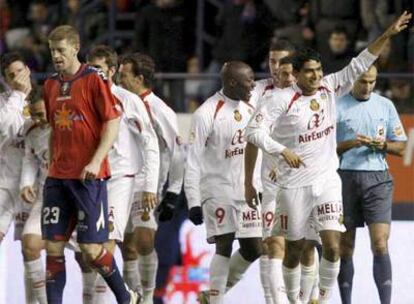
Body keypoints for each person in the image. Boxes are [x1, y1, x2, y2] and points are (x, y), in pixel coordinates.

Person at [245, 11, 411, 304]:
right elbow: (253, 132)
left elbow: (360, 61)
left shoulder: (329, 87)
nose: (316, 76)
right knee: (295, 250)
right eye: (309, 71)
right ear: (296, 74)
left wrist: (388, 34)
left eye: (319, 70)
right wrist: (281, 150)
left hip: (327, 181)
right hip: (293, 184)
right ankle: (295, 300)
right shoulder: (279, 100)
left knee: (333, 247)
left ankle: (319, 299)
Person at [42, 25, 139, 304]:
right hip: (58, 177)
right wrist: (51, 165)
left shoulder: (93, 79)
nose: (56, 56)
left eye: (61, 50)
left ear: (75, 48)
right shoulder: (49, 84)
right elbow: (54, 128)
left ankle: (125, 297)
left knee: (90, 249)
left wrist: (96, 160)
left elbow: (112, 121)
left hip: (88, 178)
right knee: (53, 247)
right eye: (52, 51)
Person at [82, 45, 159, 304]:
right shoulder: (84, 98)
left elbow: (150, 142)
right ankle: (126, 296)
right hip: (90, 180)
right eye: (90, 68)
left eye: (99, 69)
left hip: (119, 179)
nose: (94, 73)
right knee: (88, 252)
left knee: (107, 245)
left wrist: (149, 185)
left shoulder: (128, 100)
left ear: (112, 71)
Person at [185, 61, 263, 304]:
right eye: (248, 80)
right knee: (225, 241)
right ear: (231, 83)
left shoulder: (252, 104)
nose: (253, 85)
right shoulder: (207, 112)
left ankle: (212, 295)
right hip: (217, 188)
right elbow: (193, 160)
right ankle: (218, 301)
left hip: (247, 189)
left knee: (254, 249)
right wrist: (193, 202)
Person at [336, 64, 407, 304]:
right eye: (363, 81)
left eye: (372, 81)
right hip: (343, 178)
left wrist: (381, 145)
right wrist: (349, 144)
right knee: (345, 248)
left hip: (378, 180)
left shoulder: (385, 106)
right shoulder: (336, 105)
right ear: (352, 80)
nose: (368, 87)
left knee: (379, 243)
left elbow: (402, 147)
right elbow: (323, 150)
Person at [118, 52, 185, 304]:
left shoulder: (160, 110)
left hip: (149, 186)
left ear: (140, 78)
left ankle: (147, 297)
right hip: (122, 181)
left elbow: (179, 154)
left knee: (144, 240)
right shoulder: (120, 104)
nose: (120, 80)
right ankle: (132, 296)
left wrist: (173, 192)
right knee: (127, 246)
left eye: (124, 75)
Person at [245, 39, 296, 304]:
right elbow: (249, 134)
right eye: (272, 61)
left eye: (281, 61)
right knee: (272, 244)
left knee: (301, 248)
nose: (275, 67)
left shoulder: (308, 92)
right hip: (268, 181)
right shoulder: (256, 92)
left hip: (302, 181)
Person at [19, 97, 50, 304]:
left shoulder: (74, 122)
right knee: (29, 244)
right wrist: (26, 183)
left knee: (87, 258)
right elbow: (30, 159)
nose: (38, 120)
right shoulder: (32, 131)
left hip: (78, 196)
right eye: (34, 114)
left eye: (41, 113)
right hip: (47, 196)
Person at [0, 52, 31, 244]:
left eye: (20, 71)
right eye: (11, 75)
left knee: (33, 245)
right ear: (5, 80)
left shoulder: (44, 98)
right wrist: (18, 94)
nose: (17, 78)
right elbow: (5, 129)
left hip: (34, 185)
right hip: (5, 181)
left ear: (28, 71)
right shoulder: (3, 102)